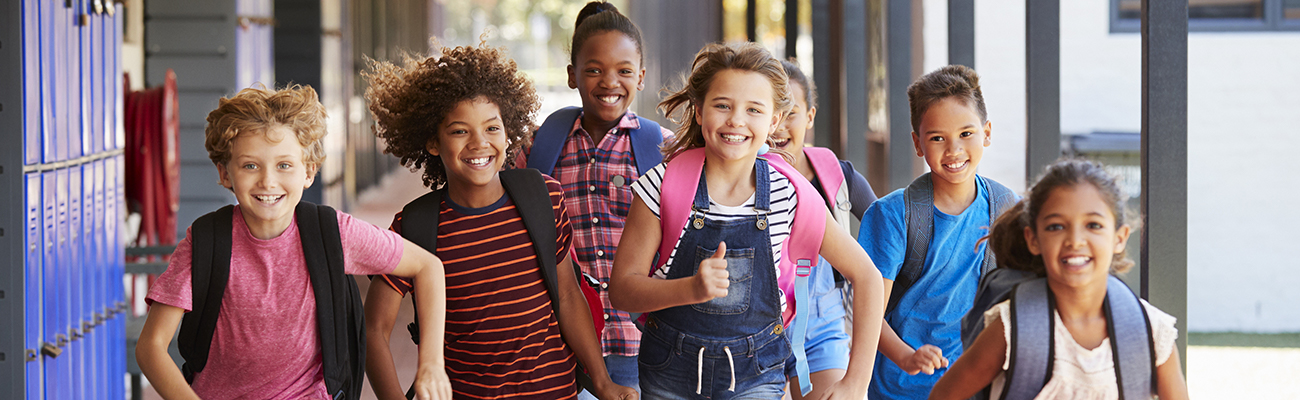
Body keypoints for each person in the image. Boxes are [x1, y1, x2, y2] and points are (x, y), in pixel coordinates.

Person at [136, 85, 452, 400]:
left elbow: (427, 266)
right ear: (225, 173)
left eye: (284, 165)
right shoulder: (206, 241)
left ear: (309, 172)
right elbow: (151, 348)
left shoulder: (333, 232)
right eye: (250, 165)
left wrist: (432, 364)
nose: (268, 181)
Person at [609, 42, 885, 399]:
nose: (736, 120)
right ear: (698, 111)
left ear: (773, 121)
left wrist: (856, 382)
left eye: (753, 109)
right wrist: (690, 289)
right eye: (722, 105)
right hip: (668, 374)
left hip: (755, 377)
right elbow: (622, 289)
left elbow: (867, 277)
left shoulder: (792, 195)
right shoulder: (663, 186)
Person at [362, 42, 636, 400]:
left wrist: (602, 383)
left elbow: (568, 296)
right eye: (460, 131)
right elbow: (373, 331)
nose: (480, 143)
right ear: (433, 141)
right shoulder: (415, 227)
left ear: (509, 132)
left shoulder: (544, 197)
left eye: (492, 128)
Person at [929, 159, 1188, 400]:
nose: (1075, 240)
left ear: (1119, 238)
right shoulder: (1014, 328)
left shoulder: (1149, 331)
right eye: (1056, 226)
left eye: (1094, 225)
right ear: (1033, 239)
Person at [514, 3, 673, 396]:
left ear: (641, 75)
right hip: (559, 347)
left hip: (646, 346)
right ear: (572, 75)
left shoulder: (667, 152)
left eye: (623, 70)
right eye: (594, 69)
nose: (609, 82)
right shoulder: (538, 149)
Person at [857, 65, 1015, 399]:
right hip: (899, 388)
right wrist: (906, 356)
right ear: (918, 143)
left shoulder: (1007, 209)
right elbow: (867, 311)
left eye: (966, 134)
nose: (954, 149)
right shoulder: (892, 215)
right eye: (937, 138)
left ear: (987, 132)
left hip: (975, 386)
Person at [766, 59, 878, 400]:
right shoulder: (738, 181)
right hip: (757, 328)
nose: (778, 127)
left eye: (791, 113)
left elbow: (889, 232)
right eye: (770, 112)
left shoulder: (837, 176)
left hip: (821, 324)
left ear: (810, 117)